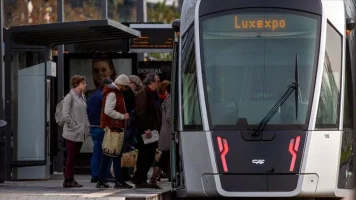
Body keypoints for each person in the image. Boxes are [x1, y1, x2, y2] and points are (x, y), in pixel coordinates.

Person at [96, 74, 133, 189]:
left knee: (107, 155)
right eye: (125, 86)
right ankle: (119, 181)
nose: (126, 89)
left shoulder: (114, 92)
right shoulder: (113, 93)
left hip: (113, 128)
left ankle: (102, 180)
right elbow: (108, 111)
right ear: (121, 84)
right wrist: (123, 116)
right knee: (115, 155)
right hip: (113, 128)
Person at [133, 73, 162, 189]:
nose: (158, 83)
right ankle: (139, 179)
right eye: (157, 81)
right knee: (144, 154)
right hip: (146, 131)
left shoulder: (154, 93)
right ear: (150, 82)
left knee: (150, 155)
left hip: (154, 130)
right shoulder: (143, 93)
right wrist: (146, 128)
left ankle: (141, 178)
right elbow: (140, 113)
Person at [62, 75, 90, 188]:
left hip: (81, 131)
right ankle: (68, 179)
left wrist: (87, 126)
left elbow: (85, 113)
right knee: (71, 156)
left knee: (74, 157)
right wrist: (74, 126)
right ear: (76, 84)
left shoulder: (82, 96)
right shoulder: (70, 97)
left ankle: (70, 179)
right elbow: (65, 115)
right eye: (83, 83)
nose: (85, 84)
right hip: (71, 132)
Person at [87, 78, 113, 183]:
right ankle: (105, 174)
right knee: (107, 152)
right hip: (101, 127)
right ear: (106, 86)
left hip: (93, 127)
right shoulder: (103, 97)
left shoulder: (92, 96)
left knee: (96, 151)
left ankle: (95, 174)